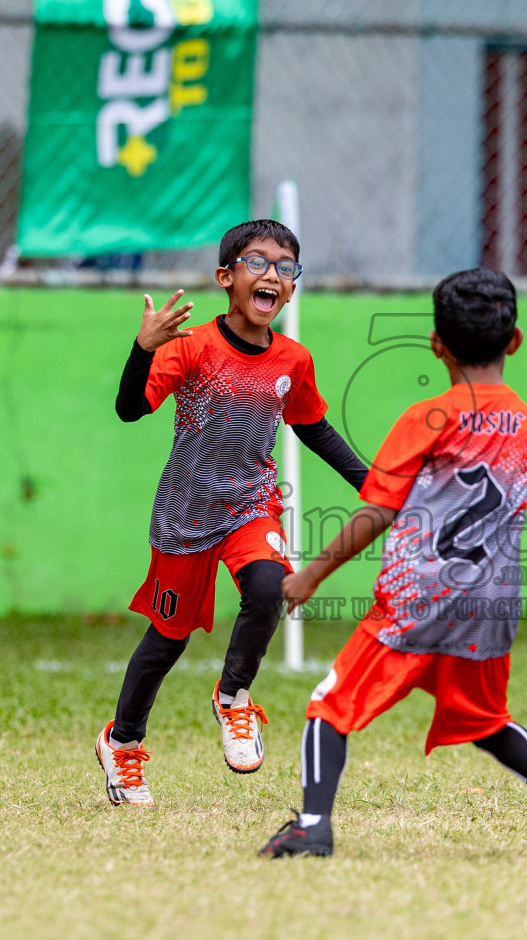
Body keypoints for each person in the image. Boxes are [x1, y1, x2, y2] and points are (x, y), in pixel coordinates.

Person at [257, 267, 527, 859]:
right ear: (514, 340)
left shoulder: (426, 419)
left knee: (330, 706)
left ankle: (313, 825)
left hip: (416, 599)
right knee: (488, 719)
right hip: (488, 608)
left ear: (437, 344)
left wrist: (311, 574)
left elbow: (378, 513)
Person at [95, 219, 369, 805]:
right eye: (257, 262)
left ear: (293, 287)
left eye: (285, 266)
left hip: (251, 505)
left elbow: (313, 427)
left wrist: (373, 484)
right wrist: (143, 348)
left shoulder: (293, 360)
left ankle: (233, 695)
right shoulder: (191, 348)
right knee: (167, 641)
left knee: (271, 587)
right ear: (226, 277)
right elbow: (127, 409)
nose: (272, 274)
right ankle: (122, 743)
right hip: (185, 514)